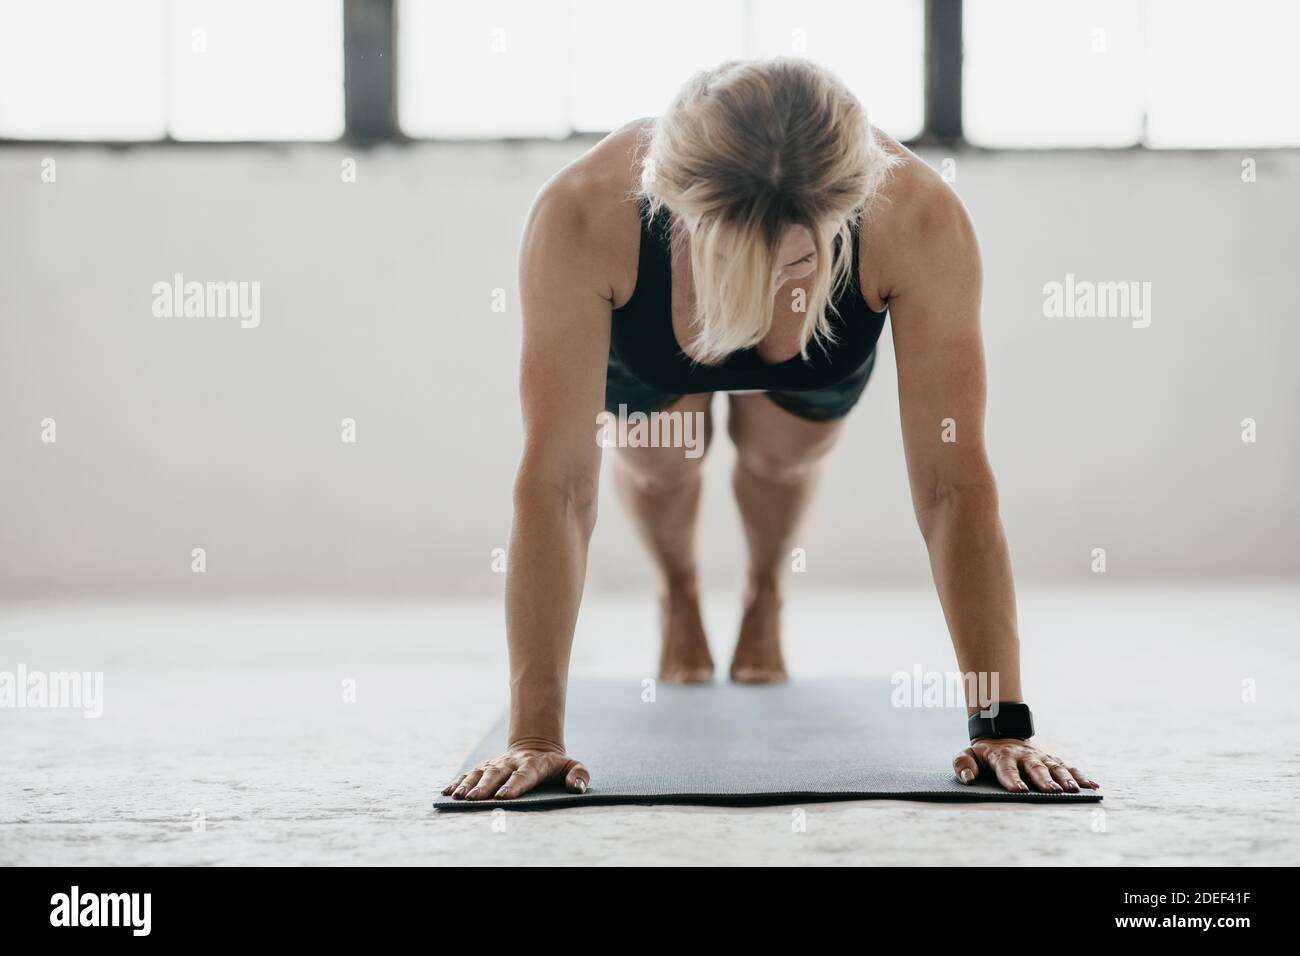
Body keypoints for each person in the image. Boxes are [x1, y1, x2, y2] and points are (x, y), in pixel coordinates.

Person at [444, 58, 1099, 801]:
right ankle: (680, 591)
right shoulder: (584, 213)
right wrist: (534, 736)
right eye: (728, 256)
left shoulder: (914, 215)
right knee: (665, 461)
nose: (758, 289)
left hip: (817, 350)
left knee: (781, 459)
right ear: (671, 203)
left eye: (793, 260)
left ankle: (763, 590)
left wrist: (1000, 724)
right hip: (651, 349)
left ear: (848, 212)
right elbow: (557, 487)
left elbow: (953, 484)